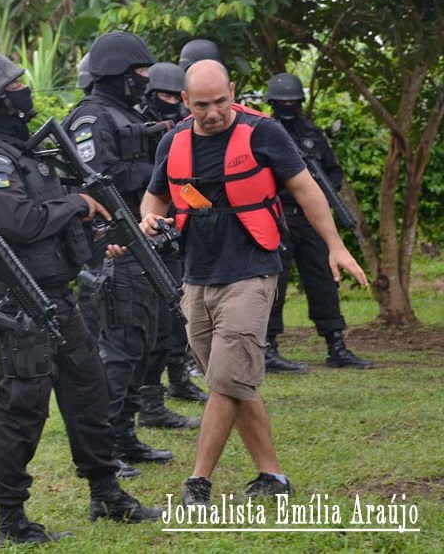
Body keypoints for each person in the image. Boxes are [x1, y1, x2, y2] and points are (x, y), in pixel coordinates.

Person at [0, 52, 161, 545]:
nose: (26, 90)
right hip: (15, 300)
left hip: (54, 294)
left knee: (88, 392)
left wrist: (93, 233)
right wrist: (76, 203)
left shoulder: (29, 155)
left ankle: (106, 492)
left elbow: (53, 233)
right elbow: (18, 223)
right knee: (22, 407)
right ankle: (10, 518)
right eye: (17, 84)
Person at [139, 60, 368, 505]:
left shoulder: (262, 133)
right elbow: (156, 194)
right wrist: (149, 216)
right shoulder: (173, 141)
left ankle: (198, 482)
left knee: (225, 380)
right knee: (235, 380)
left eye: (221, 101)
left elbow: (306, 188)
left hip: (252, 270)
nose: (213, 112)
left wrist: (335, 244)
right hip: (197, 276)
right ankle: (273, 476)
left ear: (234, 92)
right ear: (186, 101)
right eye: (202, 104)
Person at [63, 32, 188, 472]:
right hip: (113, 250)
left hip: (143, 243)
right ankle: (108, 445)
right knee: (118, 349)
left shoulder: (125, 114)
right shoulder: (91, 119)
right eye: (138, 73)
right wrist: (156, 163)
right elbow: (97, 178)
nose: (144, 80)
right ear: (117, 74)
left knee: (144, 342)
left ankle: (125, 433)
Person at [264, 72, 374, 371]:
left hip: (310, 219)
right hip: (278, 219)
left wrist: (317, 188)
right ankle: (268, 348)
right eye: (282, 101)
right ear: (272, 102)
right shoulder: (264, 132)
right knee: (276, 282)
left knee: (324, 280)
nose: (288, 106)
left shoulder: (312, 133)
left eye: (293, 101)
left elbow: (333, 172)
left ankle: (336, 345)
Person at [138, 62, 208, 423]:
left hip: (174, 229)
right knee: (151, 326)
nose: (169, 103)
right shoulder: (136, 126)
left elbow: (185, 181)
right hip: (143, 230)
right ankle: (150, 405)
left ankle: (180, 380)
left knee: (176, 318)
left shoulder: (181, 132)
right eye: (162, 96)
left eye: (173, 96)